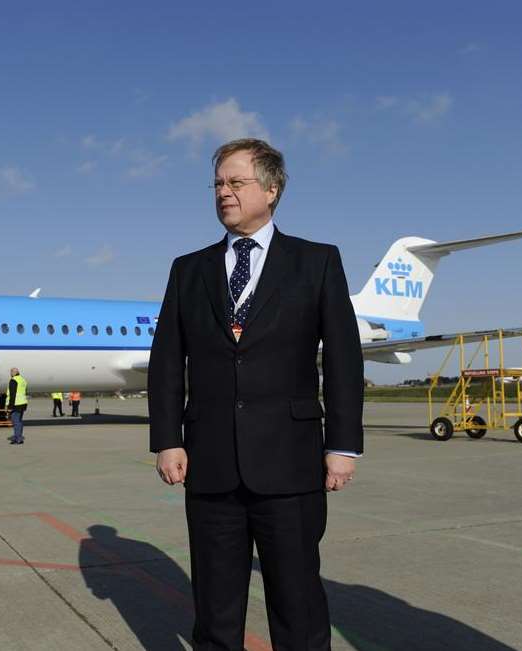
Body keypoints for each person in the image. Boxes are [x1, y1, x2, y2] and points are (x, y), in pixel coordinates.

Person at [148, 138, 364, 650]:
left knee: (298, 601)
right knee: (216, 607)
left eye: (235, 182)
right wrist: (167, 437)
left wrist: (342, 445)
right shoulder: (189, 269)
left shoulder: (316, 262)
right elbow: (166, 360)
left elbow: (342, 360)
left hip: (291, 463)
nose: (224, 193)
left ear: (271, 189)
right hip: (211, 463)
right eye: (218, 184)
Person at [6, 368, 28, 444]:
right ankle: (18, 437)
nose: (10, 374)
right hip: (23, 403)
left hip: (16, 404)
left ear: (13, 373)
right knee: (19, 421)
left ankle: (18, 438)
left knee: (16, 422)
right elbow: (25, 391)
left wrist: (10, 407)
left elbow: (12, 394)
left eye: (11, 372)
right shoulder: (23, 380)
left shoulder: (13, 380)